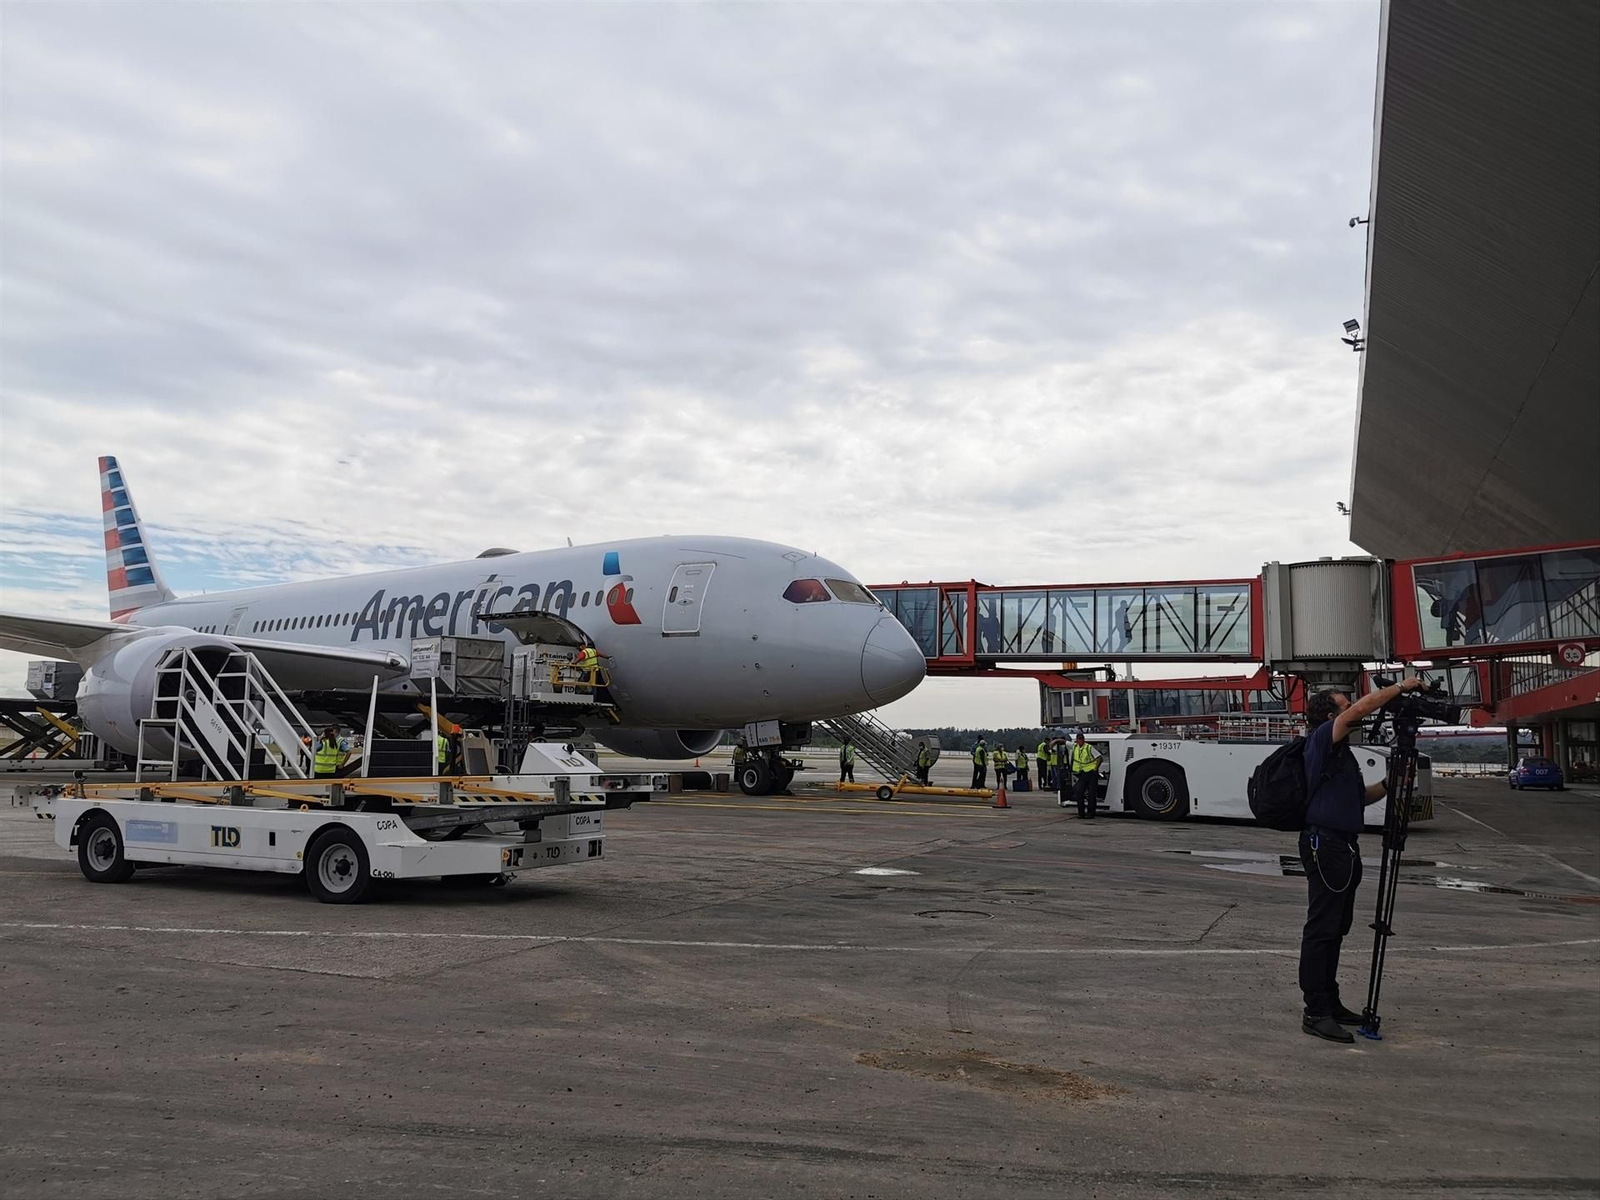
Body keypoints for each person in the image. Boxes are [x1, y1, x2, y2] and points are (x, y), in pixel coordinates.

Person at [1297, 676, 1425, 1044]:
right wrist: (1401, 688)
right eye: (1343, 706)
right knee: (1321, 931)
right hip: (1326, 847)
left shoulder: (1342, 755)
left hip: (1344, 847)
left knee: (1336, 929)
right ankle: (1315, 1011)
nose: (1353, 712)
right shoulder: (1322, 739)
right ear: (1328, 715)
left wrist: (1388, 784)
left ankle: (1331, 1003)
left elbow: (1359, 800)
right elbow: (1360, 709)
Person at [1069, 732, 1102, 818]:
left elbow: (1099, 758)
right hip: (1082, 774)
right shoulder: (1075, 747)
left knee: (1091, 794)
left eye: (1081, 739)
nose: (1080, 740)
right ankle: (1081, 813)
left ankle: (1091, 813)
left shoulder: (1089, 747)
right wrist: (1055, 741)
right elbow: (1064, 742)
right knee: (1079, 792)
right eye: (1079, 739)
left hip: (1091, 773)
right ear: (1076, 740)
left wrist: (1095, 769)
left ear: (1084, 739)